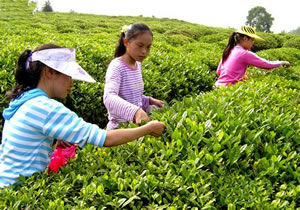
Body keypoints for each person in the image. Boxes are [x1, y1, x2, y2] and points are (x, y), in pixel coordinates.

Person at [0, 43, 165, 188]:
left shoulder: (25, 100)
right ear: (49, 72)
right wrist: (147, 129)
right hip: (19, 192)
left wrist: (55, 140)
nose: (71, 82)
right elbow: (105, 139)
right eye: (68, 75)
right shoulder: (46, 107)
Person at [103, 23, 164, 130]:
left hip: (135, 129)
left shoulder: (137, 65)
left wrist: (149, 100)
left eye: (148, 47)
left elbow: (132, 97)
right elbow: (109, 98)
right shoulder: (117, 66)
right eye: (140, 46)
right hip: (119, 130)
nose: (144, 51)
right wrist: (135, 112)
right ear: (126, 42)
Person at [215, 25, 290, 87]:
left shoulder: (228, 50)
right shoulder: (244, 53)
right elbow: (266, 64)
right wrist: (281, 62)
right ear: (245, 38)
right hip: (228, 89)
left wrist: (239, 76)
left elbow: (218, 72)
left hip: (217, 87)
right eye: (252, 40)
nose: (253, 43)